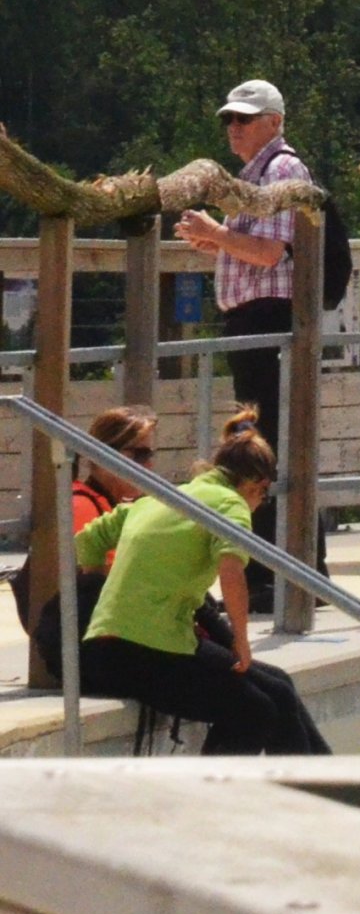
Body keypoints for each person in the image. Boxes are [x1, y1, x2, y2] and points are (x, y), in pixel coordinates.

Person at [70, 417, 329, 754]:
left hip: (114, 648)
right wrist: (241, 640)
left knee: (278, 687)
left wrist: (101, 588)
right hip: (146, 654)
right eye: (263, 497)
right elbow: (231, 571)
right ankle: (215, 788)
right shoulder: (231, 503)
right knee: (256, 711)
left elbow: (87, 540)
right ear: (259, 485)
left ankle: (324, 780)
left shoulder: (162, 496)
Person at [171, 79, 322, 568]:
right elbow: (257, 253)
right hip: (251, 321)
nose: (233, 127)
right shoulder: (252, 175)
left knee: (266, 444)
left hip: (269, 320)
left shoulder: (282, 170)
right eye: (229, 119)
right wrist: (215, 242)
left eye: (244, 118)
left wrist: (217, 232)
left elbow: (269, 253)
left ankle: (285, 566)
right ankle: (279, 565)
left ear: (274, 122)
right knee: (261, 440)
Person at [21, 407, 158, 687]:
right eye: (140, 455)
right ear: (103, 456)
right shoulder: (82, 504)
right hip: (93, 643)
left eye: (150, 455)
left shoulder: (114, 505)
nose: (149, 466)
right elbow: (102, 580)